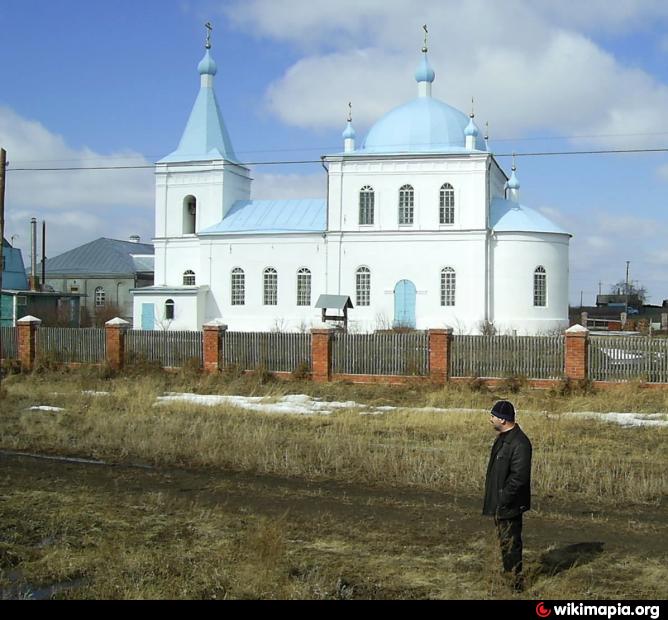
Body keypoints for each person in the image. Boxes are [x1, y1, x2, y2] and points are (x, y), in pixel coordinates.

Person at [482, 400, 532, 593]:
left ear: (503, 420)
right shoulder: (503, 438)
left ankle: (516, 587)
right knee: (505, 543)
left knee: (512, 545)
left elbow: (519, 478)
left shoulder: (519, 443)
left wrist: (503, 499)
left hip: (510, 505)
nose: (490, 419)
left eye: (493, 416)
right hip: (501, 504)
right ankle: (508, 580)